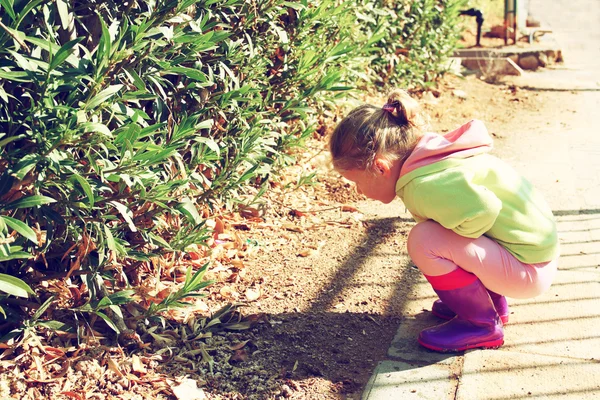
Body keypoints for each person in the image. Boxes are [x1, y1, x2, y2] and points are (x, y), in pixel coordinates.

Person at [328, 89, 559, 352]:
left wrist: (454, 232)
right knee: (447, 231)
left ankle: (480, 323)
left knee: (425, 240)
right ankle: (489, 302)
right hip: (533, 257)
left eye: (356, 181)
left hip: (528, 271)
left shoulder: (422, 186)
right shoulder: (430, 157)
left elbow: (484, 208)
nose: (358, 190)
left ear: (380, 167)